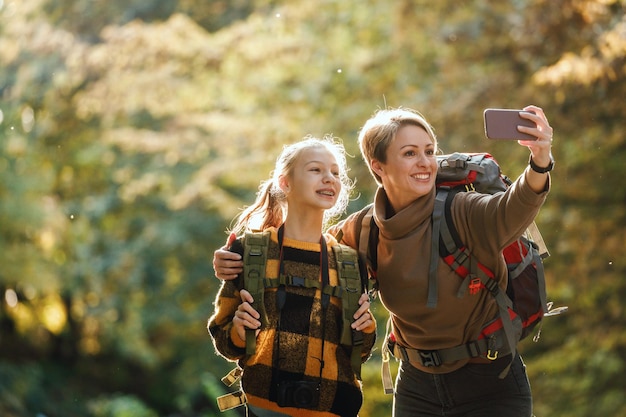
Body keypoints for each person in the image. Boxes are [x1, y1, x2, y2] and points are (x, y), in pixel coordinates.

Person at [214, 105, 553, 417]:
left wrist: (540, 161)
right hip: (416, 387)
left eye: (429, 151)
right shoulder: (363, 230)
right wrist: (237, 258)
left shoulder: (463, 211)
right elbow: (303, 252)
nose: (425, 162)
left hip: (491, 381)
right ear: (378, 165)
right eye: (409, 153)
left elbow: (516, 205)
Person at [208, 135, 376, 417]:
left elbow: (358, 354)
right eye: (316, 170)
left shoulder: (349, 262)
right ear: (285, 183)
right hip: (265, 409)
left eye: (335, 173)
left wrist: (366, 330)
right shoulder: (249, 252)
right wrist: (238, 330)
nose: (329, 178)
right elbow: (225, 341)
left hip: (336, 409)